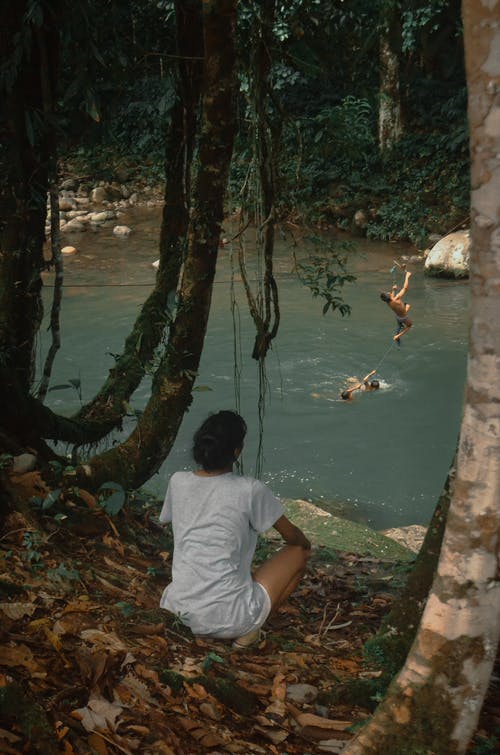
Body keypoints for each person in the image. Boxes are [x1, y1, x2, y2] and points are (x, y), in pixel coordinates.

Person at [159, 410, 311, 649]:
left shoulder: (177, 481)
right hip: (231, 617)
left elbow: (170, 520)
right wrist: (304, 542)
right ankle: (248, 633)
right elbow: (293, 538)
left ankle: (207, 629)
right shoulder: (250, 489)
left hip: (177, 612)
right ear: (237, 451)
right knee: (299, 553)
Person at [380, 270, 413, 341]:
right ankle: (397, 336)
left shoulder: (388, 302)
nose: (388, 292)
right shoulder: (397, 299)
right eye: (388, 293)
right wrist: (407, 276)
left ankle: (400, 325)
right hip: (404, 318)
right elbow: (405, 288)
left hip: (398, 317)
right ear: (389, 295)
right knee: (409, 326)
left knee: (407, 306)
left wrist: (393, 289)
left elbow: (391, 297)